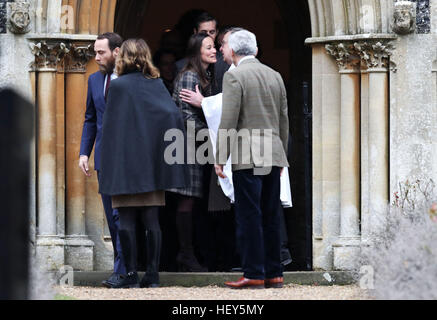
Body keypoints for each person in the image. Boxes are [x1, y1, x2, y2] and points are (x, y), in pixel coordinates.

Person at [99, 38, 188, 288]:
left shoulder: (118, 87)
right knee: (151, 221)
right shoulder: (156, 83)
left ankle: (130, 276)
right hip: (151, 165)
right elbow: (171, 114)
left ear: (123, 57)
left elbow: (111, 129)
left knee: (125, 220)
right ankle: (152, 275)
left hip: (124, 166)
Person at [215, 29, 290, 289]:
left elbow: (229, 120)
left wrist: (219, 157)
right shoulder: (275, 75)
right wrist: (282, 156)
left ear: (233, 51)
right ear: (255, 50)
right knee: (270, 214)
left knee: (249, 215)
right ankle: (274, 273)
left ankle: (254, 273)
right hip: (272, 154)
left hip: (248, 156)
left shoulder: (234, 76)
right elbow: (283, 121)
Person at [79, 32, 126, 289]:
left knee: (123, 216)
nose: (96, 58)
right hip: (104, 159)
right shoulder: (94, 80)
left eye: (101, 52)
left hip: (129, 158)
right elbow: (90, 118)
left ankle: (123, 270)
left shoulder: (132, 79)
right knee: (112, 216)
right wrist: (84, 153)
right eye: (95, 52)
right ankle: (122, 268)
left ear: (117, 51)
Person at [168, 33, 217, 272]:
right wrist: (212, 135)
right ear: (197, 51)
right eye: (209, 47)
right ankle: (185, 254)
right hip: (187, 147)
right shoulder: (189, 77)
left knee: (193, 201)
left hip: (196, 146)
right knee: (186, 201)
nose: (214, 49)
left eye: (215, 46)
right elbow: (185, 117)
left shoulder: (204, 75)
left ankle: (189, 253)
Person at [176, 12, 230, 95]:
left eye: (212, 32)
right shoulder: (181, 66)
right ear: (195, 32)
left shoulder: (226, 62)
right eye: (203, 32)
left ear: (217, 32)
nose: (208, 36)